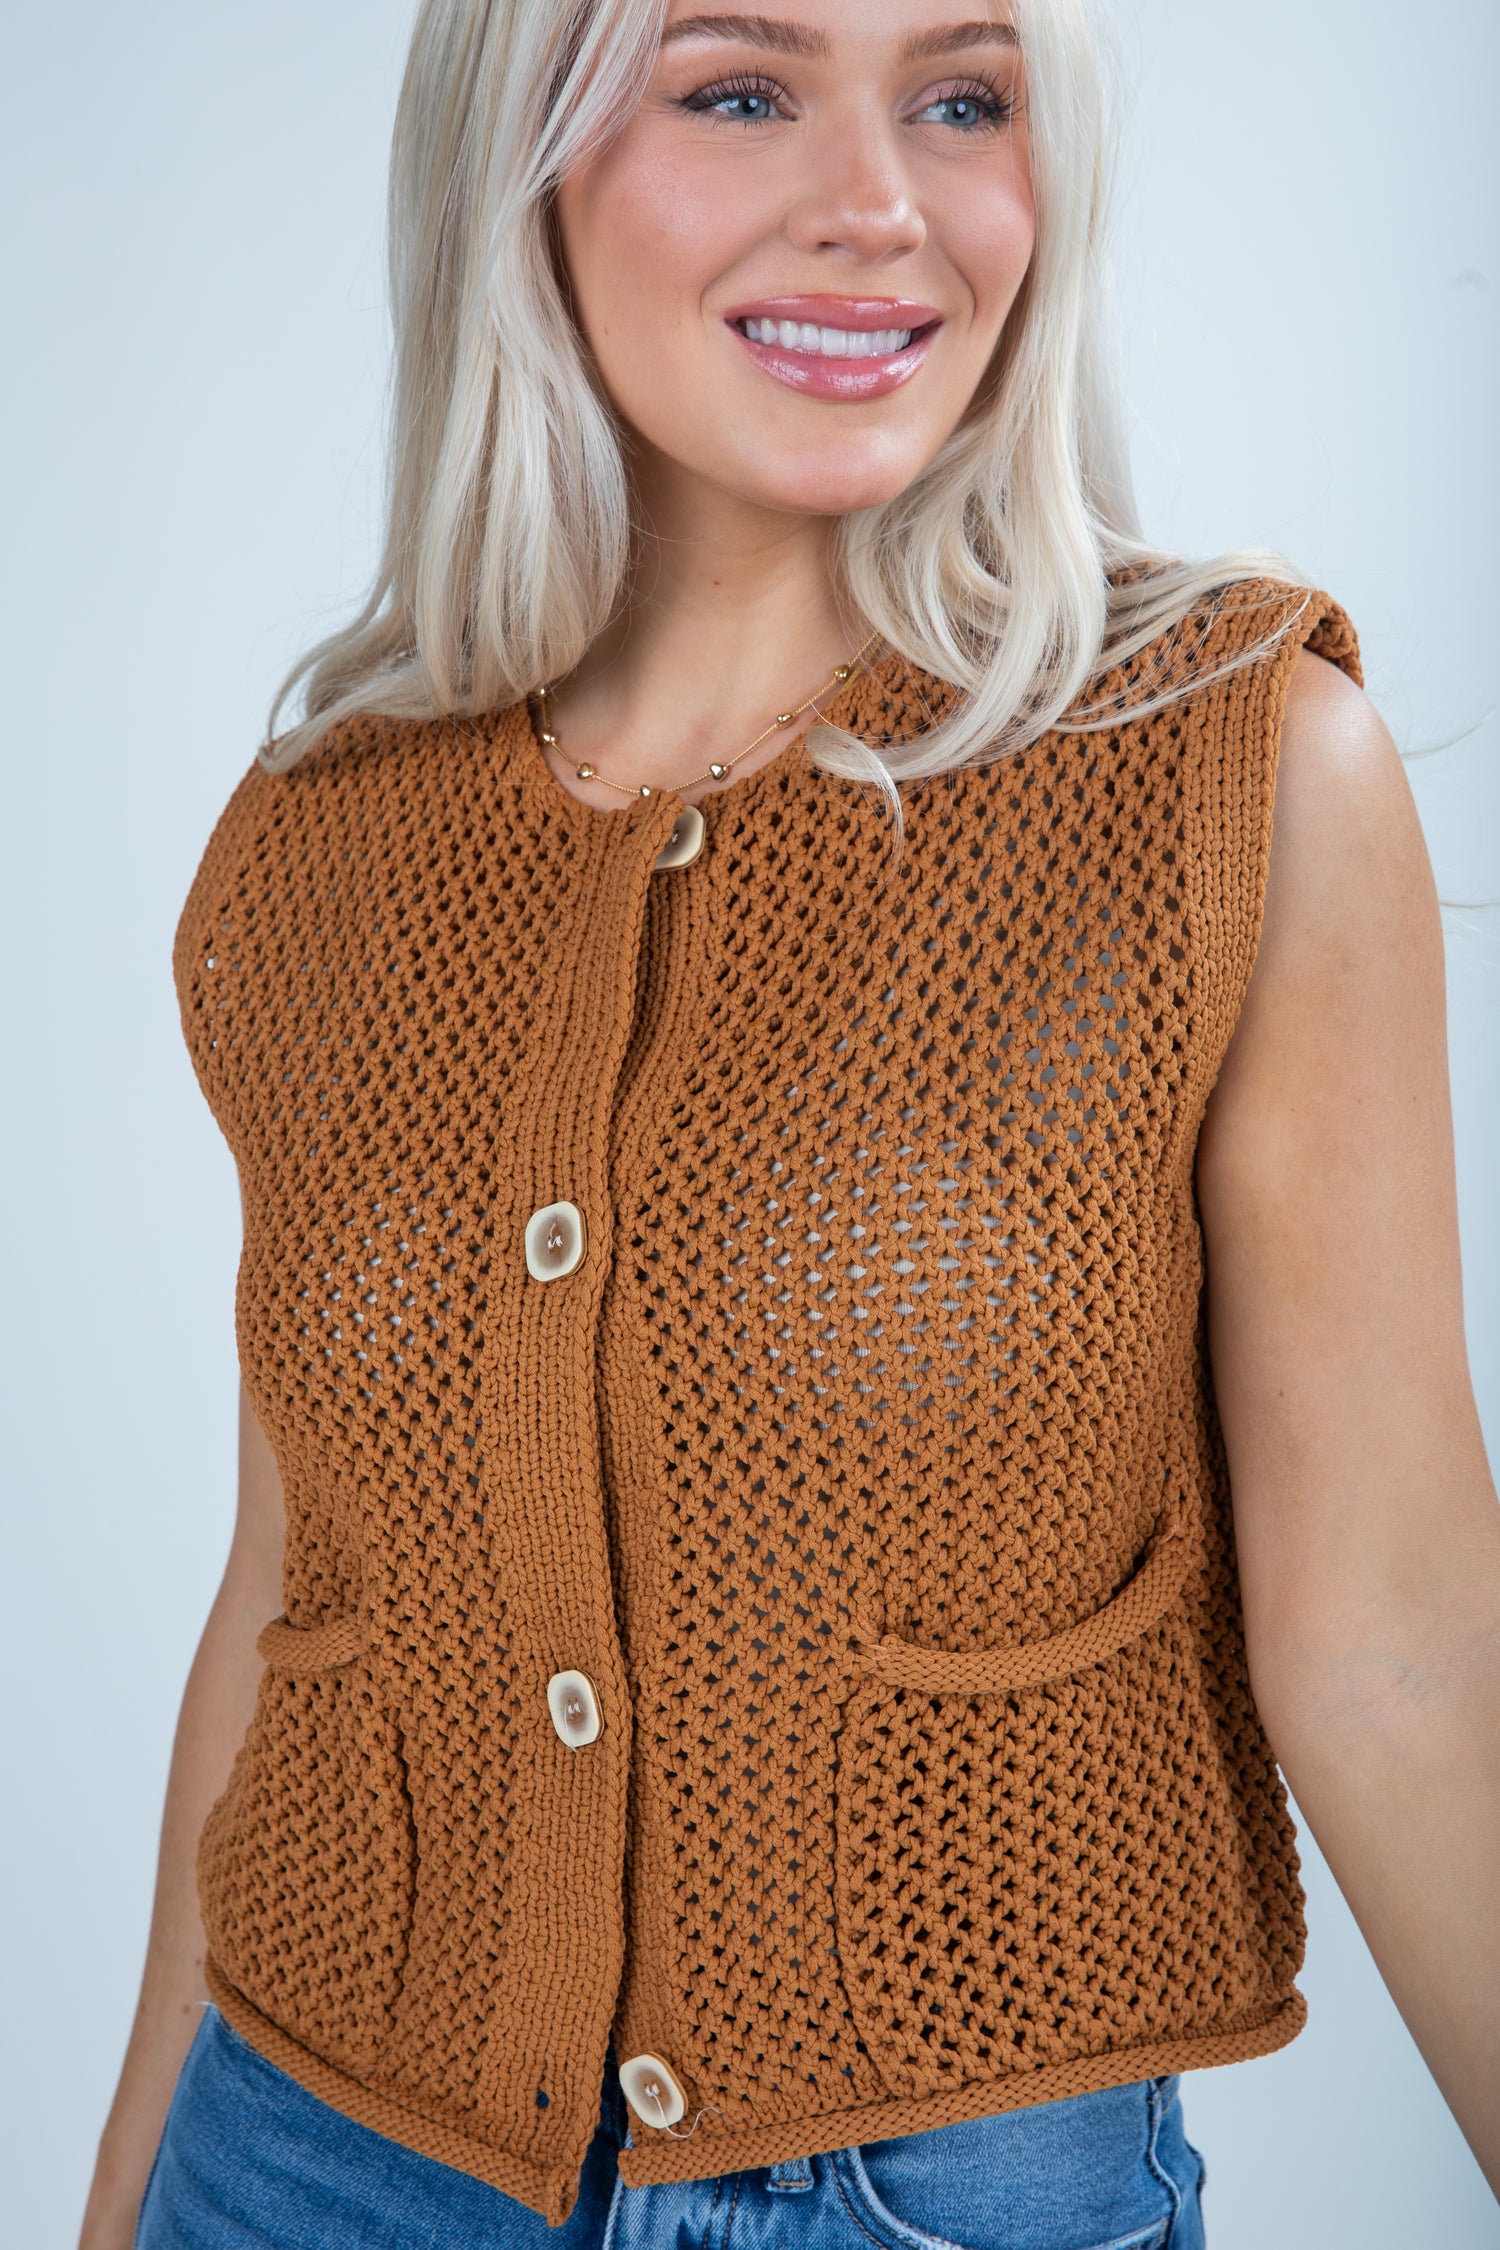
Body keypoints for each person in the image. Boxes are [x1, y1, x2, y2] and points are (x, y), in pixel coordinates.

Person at [82, 2, 1499, 2245]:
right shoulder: (319, 841)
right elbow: (294, 1598)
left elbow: (1402, 1640)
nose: (885, 206)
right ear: (521, 162)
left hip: (921, 2196)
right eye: (741, 91)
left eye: (965, 101)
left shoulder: (1221, 766)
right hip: (298, 2156)